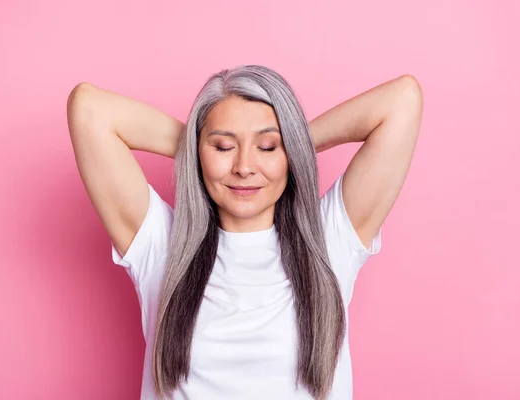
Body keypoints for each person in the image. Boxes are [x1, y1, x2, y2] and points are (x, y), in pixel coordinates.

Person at [66, 65, 423, 400]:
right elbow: (89, 109)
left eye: (268, 147)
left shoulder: (330, 239)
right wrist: (197, 142)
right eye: (223, 147)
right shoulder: (160, 244)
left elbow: (402, 100)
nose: (245, 167)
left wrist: (293, 142)